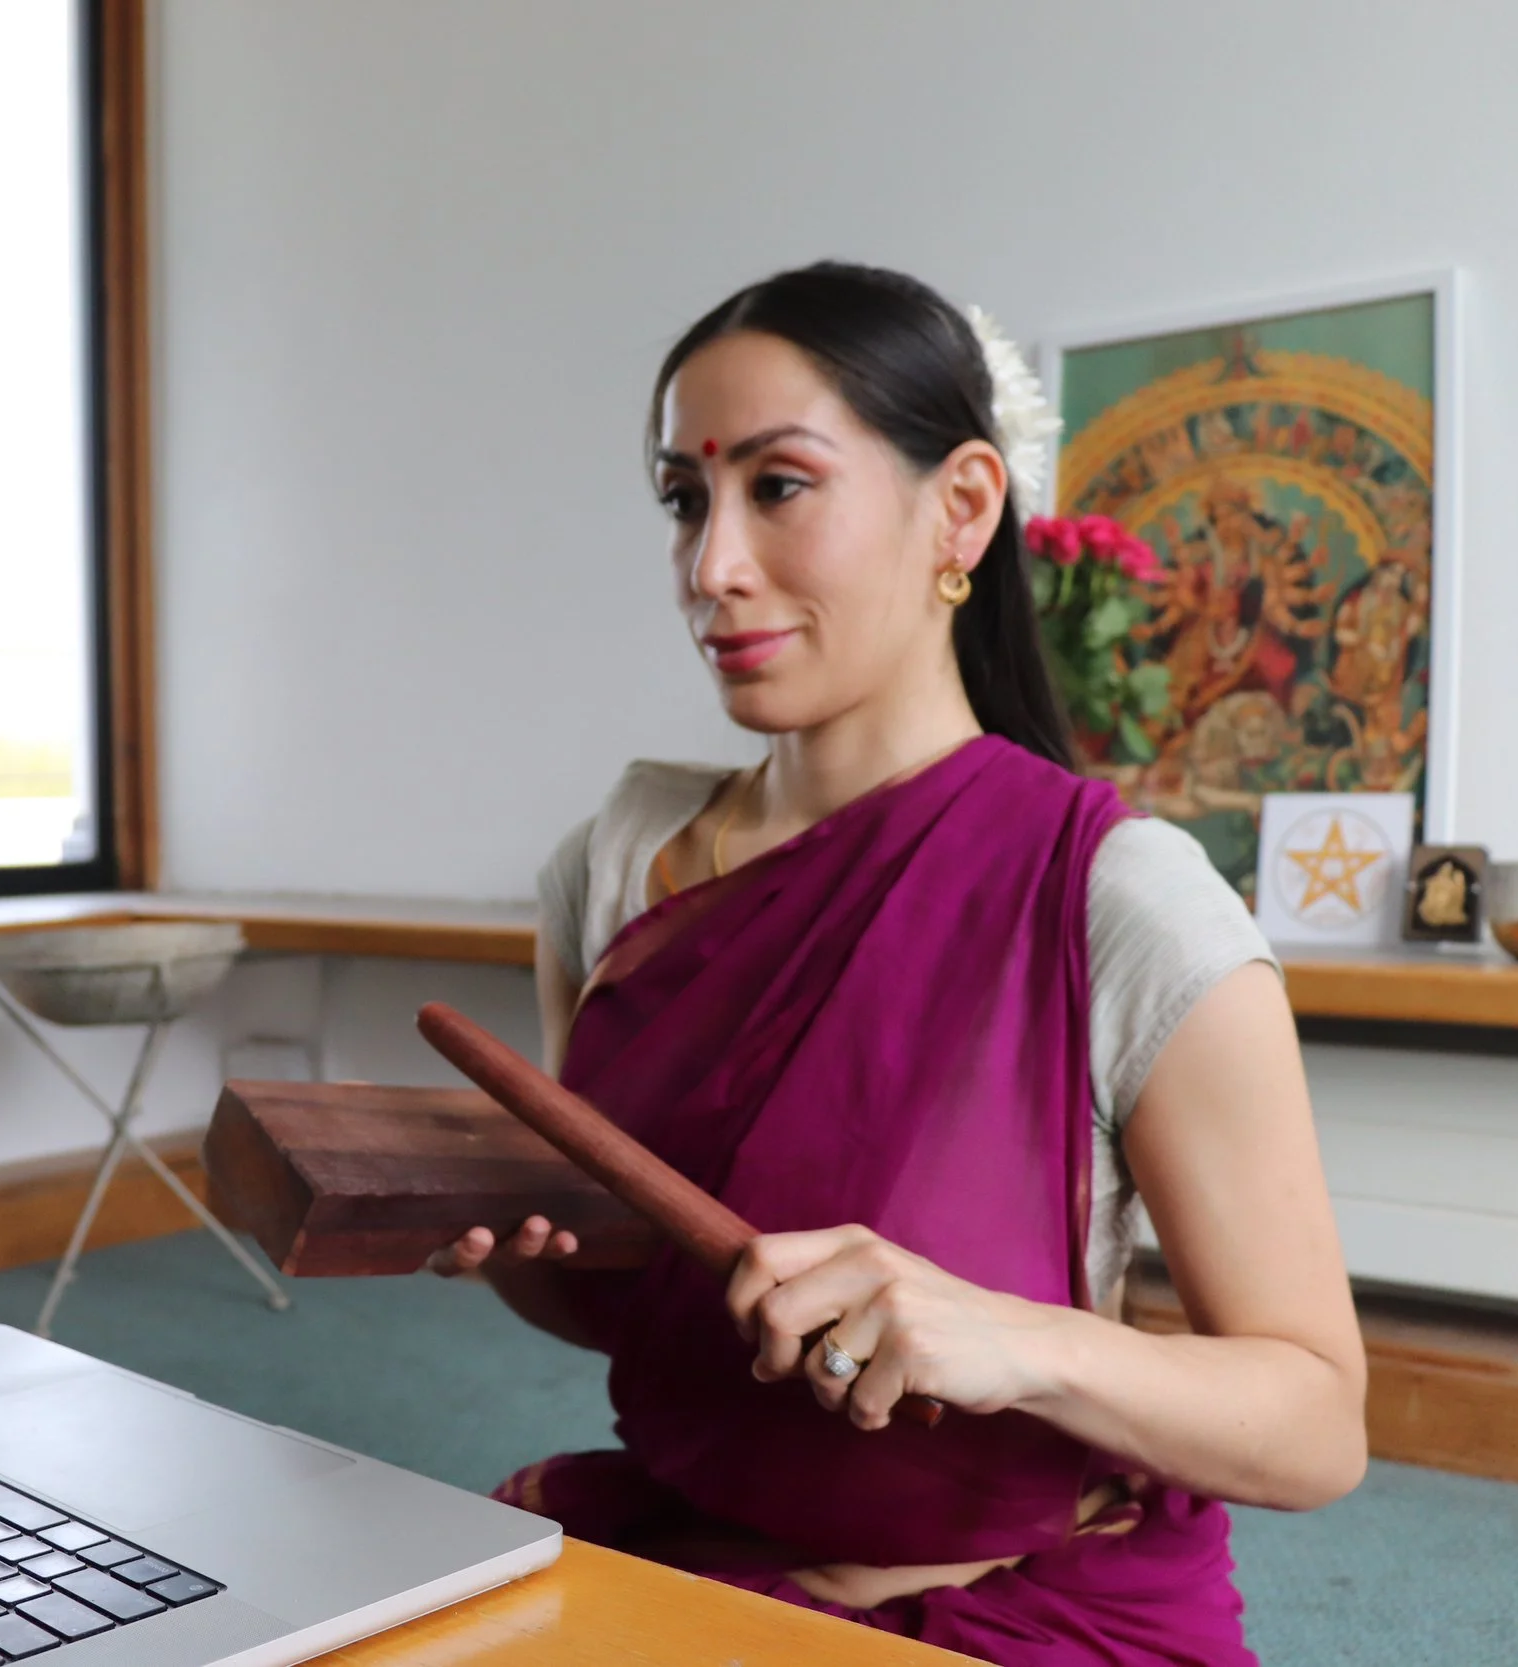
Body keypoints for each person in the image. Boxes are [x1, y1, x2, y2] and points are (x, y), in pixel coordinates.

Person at [430, 264, 1364, 1663]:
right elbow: (651, 1314)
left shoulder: (1119, 897)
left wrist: (1018, 1338)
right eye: (687, 498)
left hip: (1025, 1608)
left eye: (780, 486)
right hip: (699, 1554)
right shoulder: (614, 866)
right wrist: (515, 1255)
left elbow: (1316, 1427)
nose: (711, 565)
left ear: (965, 507)